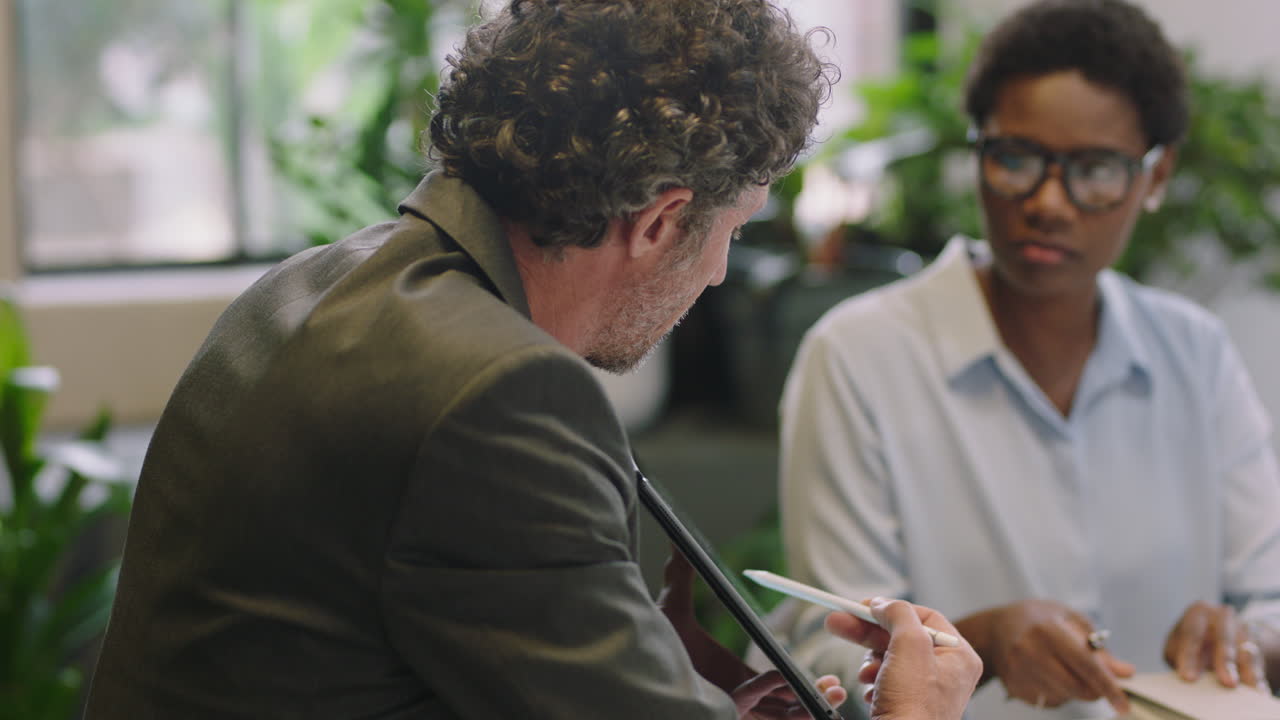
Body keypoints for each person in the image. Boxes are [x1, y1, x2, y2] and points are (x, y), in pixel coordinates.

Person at [85, 1, 980, 718]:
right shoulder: (499, 395)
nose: (716, 274)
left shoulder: (312, 285)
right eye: (733, 232)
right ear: (662, 220)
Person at [777, 1, 1280, 718]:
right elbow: (823, 650)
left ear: (1157, 175)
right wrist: (981, 641)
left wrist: (1250, 639)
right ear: (976, 152)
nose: (1048, 202)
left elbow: (1271, 597)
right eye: (1015, 158)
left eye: (1095, 169)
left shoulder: (1196, 353)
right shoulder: (859, 357)